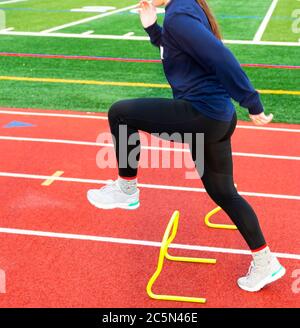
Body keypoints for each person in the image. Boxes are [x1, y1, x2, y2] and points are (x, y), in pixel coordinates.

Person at [87, 0, 286, 292]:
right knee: (223, 192)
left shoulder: (180, 15)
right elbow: (178, 53)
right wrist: (153, 29)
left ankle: (126, 188)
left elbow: (221, 57)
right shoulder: (185, 9)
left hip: (202, 115)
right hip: (216, 117)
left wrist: (251, 101)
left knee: (120, 113)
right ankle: (265, 261)